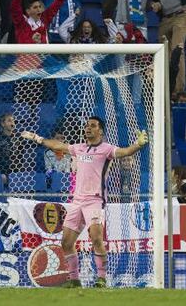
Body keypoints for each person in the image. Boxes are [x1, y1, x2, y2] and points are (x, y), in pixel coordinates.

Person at [21, 116, 149, 288]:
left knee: (96, 238)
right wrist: (38, 138)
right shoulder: (79, 148)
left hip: (94, 201)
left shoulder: (106, 149)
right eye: (87, 125)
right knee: (66, 242)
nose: (88, 128)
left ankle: (102, 279)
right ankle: (74, 280)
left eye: (93, 126)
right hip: (77, 201)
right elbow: (58, 146)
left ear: (100, 131)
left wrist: (138, 145)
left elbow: (125, 152)